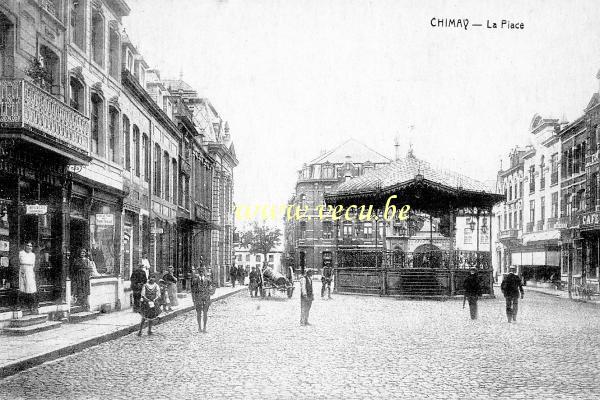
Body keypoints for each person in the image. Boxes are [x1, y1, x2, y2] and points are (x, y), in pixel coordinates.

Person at [191, 267, 214, 333]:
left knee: (205, 313)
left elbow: (211, 289)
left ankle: (204, 327)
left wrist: (210, 294)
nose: (201, 273)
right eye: (200, 272)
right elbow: (193, 291)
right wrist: (194, 300)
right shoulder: (195, 280)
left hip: (206, 298)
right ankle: (199, 327)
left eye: (202, 272)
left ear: (204, 272)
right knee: (198, 313)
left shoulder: (208, 280)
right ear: (198, 273)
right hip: (198, 299)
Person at [18, 242, 37, 313]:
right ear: (24, 246)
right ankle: (21, 306)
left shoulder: (33, 255)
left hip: (30, 272)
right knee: (23, 288)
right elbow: (22, 261)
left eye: (31, 246)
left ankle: (32, 307)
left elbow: (33, 264)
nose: (29, 247)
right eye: (27, 245)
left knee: (31, 289)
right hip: (23, 272)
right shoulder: (21, 253)